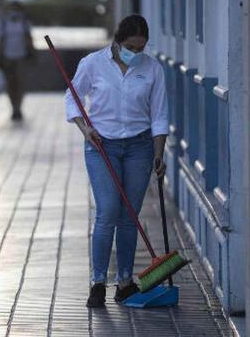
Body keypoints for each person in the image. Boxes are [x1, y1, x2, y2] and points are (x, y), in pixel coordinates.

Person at [64, 15, 168, 307]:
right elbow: (72, 98)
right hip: (101, 145)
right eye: (130, 47)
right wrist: (86, 129)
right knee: (107, 211)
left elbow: (159, 115)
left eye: (141, 48)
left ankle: (124, 282)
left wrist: (159, 153)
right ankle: (98, 283)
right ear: (117, 42)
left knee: (129, 217)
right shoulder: (92, 64)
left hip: (139, 146)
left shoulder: (152, 69)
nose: (135, 54)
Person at [0, 1, 35, 121]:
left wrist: (32, 52)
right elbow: (0, 40)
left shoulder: (24, 22)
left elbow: (28, 38)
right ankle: (13, 106)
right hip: (7, 56)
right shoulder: (3, 22)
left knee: (20, 82)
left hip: (21, 56)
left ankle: (18, 107)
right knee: (10, 83)